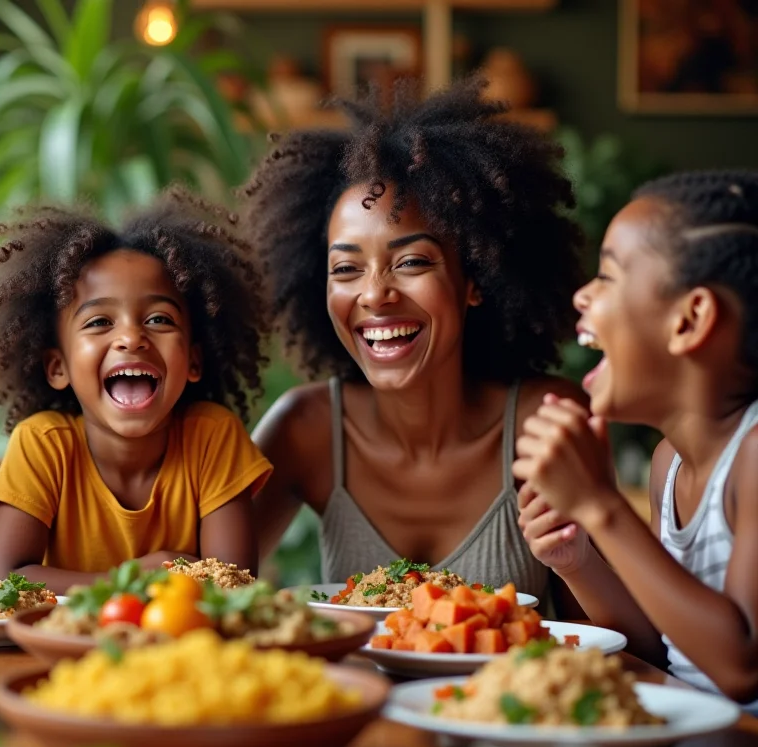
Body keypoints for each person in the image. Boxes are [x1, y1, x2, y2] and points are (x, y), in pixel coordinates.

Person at [244, 79, 586, 608]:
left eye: (411, 262)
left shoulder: (544, 423)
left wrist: (576, 554)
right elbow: (211, 583)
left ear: (476, 280)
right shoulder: (306, 431)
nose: (375, 294)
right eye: (346, 269)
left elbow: (614, 639)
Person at [515, 171, 758, 707]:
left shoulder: (754, 457)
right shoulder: (667, 464)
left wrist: (602, 506)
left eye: (607, 276)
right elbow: (664, 647)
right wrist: (576, 558)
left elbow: (741, 663)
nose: (582, 294)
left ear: (689, 320)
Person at [0, 193, 273, 593]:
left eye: (159, 318)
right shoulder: (42, 444)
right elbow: (5, 579)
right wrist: (130, 580)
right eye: (99, 321)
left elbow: (233, 586)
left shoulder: (213, 438)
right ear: (58, 367)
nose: (131, 337)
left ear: (194, 361)